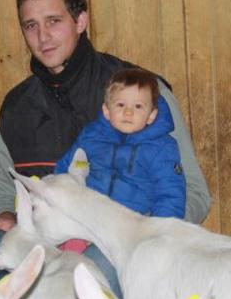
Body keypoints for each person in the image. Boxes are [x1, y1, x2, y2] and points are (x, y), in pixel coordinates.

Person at [0, 0, 211, 299]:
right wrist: (6, 216)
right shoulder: (16, 109)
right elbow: (2, 190)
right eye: (31, 26)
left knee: (89, 270)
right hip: (40, 237)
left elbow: (196, 194)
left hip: (117, 242)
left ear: (80, 21)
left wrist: (135, 233)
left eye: (54, 21)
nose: (42, 37)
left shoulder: (139, 95)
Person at [54, 68, 186, 220]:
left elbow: (170, 194)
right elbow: (64, 168)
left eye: (138, 106)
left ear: (151, 115)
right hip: (88, 216)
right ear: (107, 111)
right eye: (121, 105)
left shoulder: (161, 148)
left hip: (133, 223)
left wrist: (160, 233)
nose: (128, 112)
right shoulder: (91, 137)